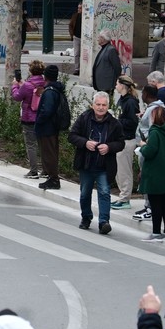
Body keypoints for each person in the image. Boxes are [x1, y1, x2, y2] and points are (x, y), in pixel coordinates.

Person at [70, 89, 123, 233]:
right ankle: (86, 217)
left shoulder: (114, 123)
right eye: (98, 104)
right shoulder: (84, 118)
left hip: (104, 166)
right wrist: (85, 142)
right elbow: (72, 135)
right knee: (85, 193)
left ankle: (104, 221)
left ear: (108, 106)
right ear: (92, 105)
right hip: (86, 164)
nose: (100, 108)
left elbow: (121, 143)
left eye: (104, 105)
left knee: (105, 192)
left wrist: (109, 147)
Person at [140, 105, 165, 241]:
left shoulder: (155, 132)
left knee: (155, 203)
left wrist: (143, 147)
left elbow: (150, 151)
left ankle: (156, 232)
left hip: (155, 172)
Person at [11, 59, 47, 181]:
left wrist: (15, 85)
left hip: (29, 118)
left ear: (31, 71)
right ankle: (46, 170)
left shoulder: (27, 85)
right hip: (42, 117)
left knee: (31, 145)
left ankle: (33, 170)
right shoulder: (45, 83)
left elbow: (17, 97)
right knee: (42, 144)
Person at [33, 64, 66, 191]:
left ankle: (53, 179)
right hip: (51, 127)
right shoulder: (54, 89)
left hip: (47, 128)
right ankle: (51, 177)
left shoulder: (50, 91)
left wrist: (39, 121)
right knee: (49, 153)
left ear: (46, 76)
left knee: (49, 154)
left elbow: (47, 110)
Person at [113, 77, 142, 209]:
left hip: (127, 139)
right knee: (120, 171)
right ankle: (122, 195)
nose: (115, 85)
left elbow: (132, 122)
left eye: (117, 83)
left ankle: (125, 198)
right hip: (120, 139)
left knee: (125, 171)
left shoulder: (130, 102)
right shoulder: (123, 100)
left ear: (123, 86)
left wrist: (116, 121)